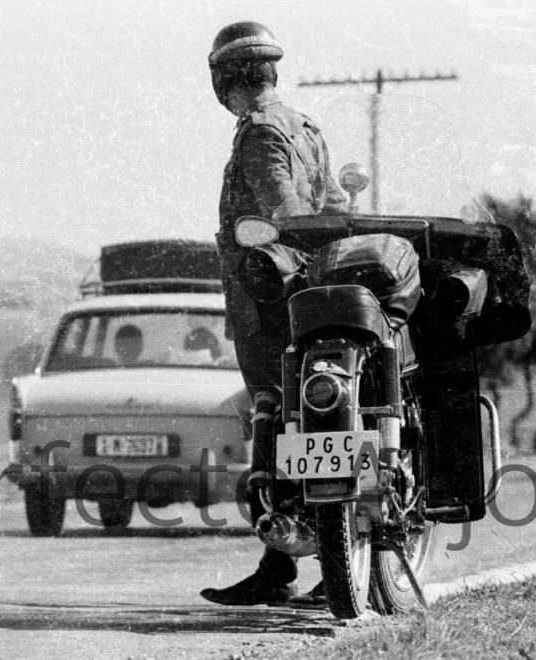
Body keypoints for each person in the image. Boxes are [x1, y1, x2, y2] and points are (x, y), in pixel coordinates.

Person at [201, 20, 347, 608]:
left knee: (277, 423)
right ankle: (288, 563)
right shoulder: (304, 127)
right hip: (309, 296)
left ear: (226, 78)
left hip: (269, 302)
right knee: (302, 424)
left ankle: (281, 561)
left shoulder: (259, 133)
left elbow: (286, 209)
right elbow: (336, 204)